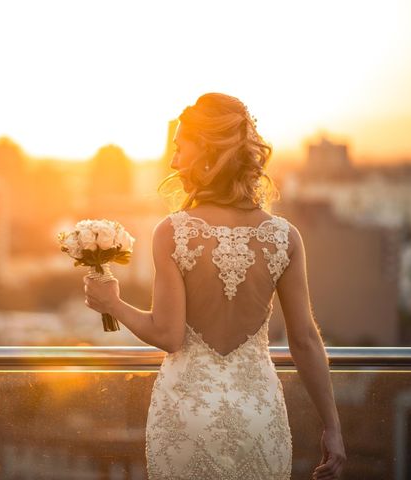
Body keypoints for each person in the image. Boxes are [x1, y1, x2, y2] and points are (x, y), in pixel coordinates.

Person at [83, 92, 346, 479]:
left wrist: (114, 304)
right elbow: (305, 339)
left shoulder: (173, 232)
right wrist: (333, 427)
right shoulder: (283, 237)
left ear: (206, 151)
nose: (172, 161)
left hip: (188, 415)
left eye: (179, 148)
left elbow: (169, 335)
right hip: (259, 414)